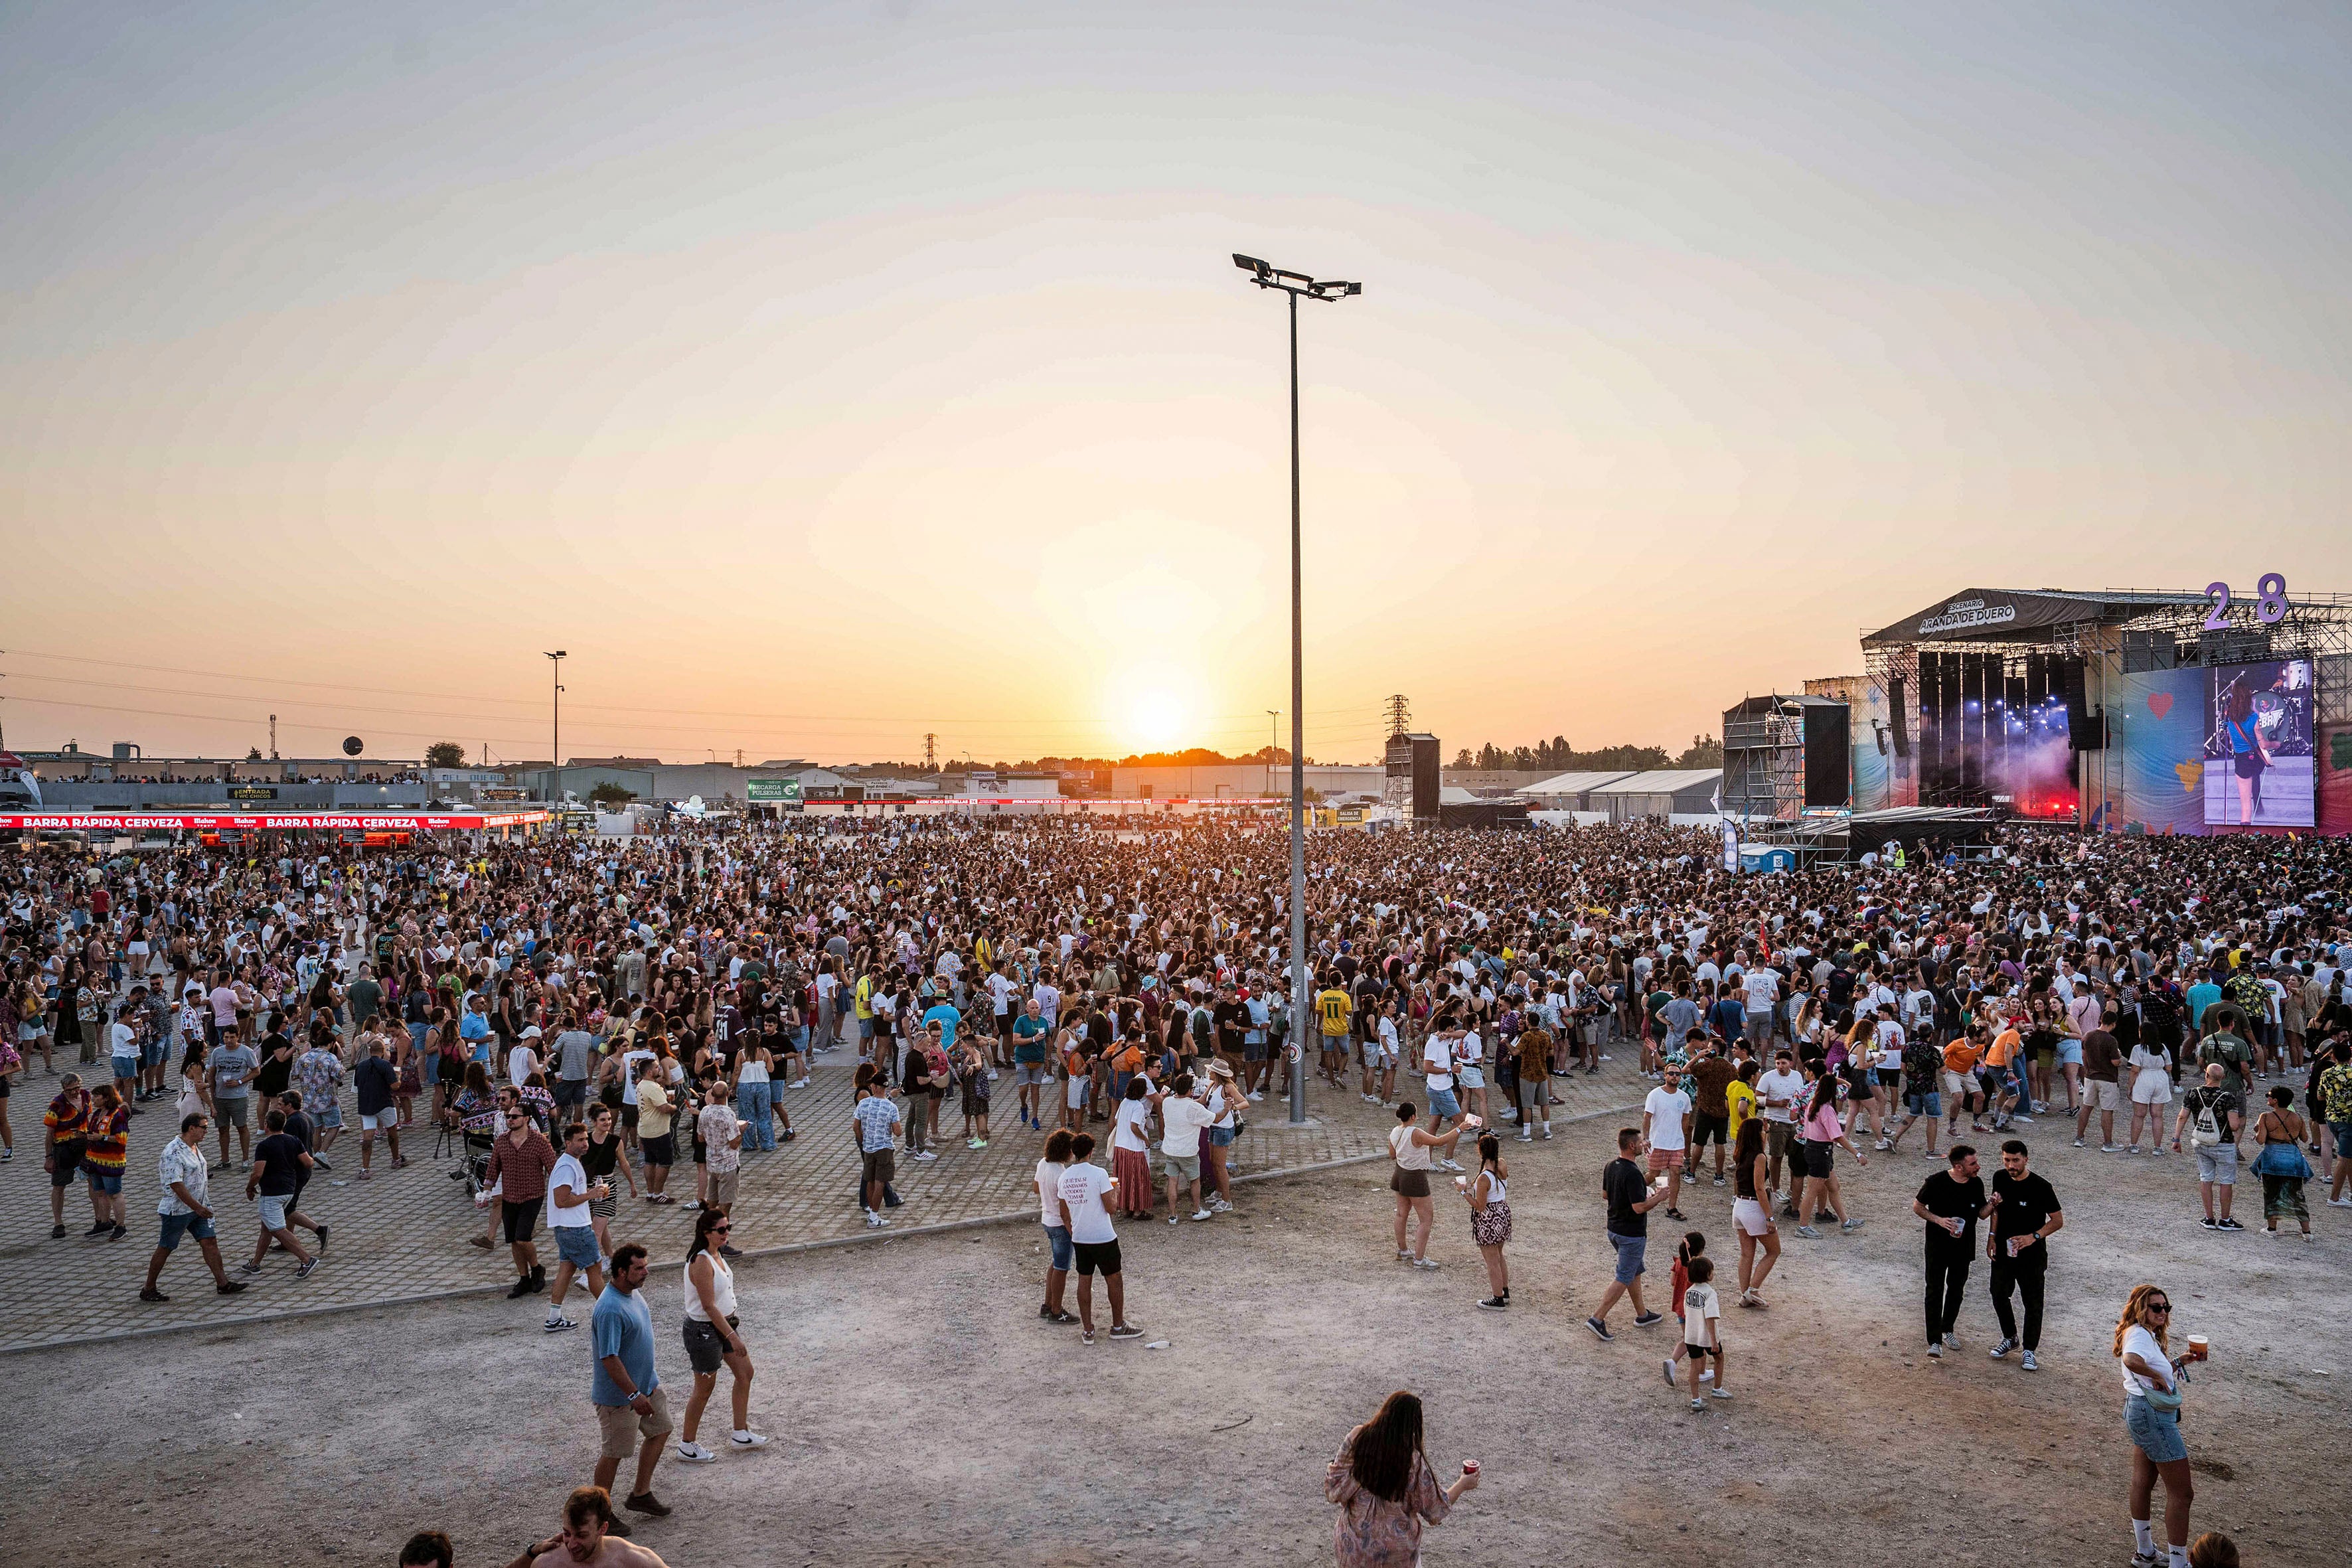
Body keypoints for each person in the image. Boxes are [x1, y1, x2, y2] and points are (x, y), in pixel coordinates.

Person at [1324, 1391, 1477, 1568]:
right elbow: (1435, 1509)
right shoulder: (1413, 1461)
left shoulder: (1358, 1438)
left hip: (1354, 1549)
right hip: (1397, 1555)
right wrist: (1463, 1484)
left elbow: (1333, 1488)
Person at [674, 1208, 767, 1461]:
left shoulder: (716, 1253)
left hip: (723, 1325)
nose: (727, 1233)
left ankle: (740, 1432)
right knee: (704, 1389)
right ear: (707, 1233)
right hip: (705, 1330)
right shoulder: (702, 1261)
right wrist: (732, 1337)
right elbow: (708, 1306)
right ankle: (687, 1444)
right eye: (721, 1230)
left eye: (728, 1228)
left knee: (745, 1372)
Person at [2116, 1283, 2197, 1568]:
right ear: (2141, 1308)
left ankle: (2145, 1552)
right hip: (2152, 1415)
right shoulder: (2138, 1335)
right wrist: (2157, 1375)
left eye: (2166, 1307)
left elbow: (2145, 1366)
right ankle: (2178, 1563)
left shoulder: (2142, 1334)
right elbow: (2131, 1360)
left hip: (2140, 1410)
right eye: (2156, 1307)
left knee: (2143, 1481)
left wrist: (2176, 1363)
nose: (2162, 1312)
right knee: (2182, 1492)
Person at [589, 1244, 672, 1520]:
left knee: (661, 1430)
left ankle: (640, 1494)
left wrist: (645, 1388)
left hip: (647, 1386)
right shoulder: (610, 1308)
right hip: (621, 1398)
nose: (646, 1272)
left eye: (645, 1266)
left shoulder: (633, 1293)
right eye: (639, 1268)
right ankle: (599, 1515)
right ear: (622, 1272)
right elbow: (609, 1358)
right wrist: (633, 1395)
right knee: (614, 1453)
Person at [140, 1112, 248, 1302]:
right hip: (178, 1211)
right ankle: (148, 1288)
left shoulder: (194, 1147)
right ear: (192, 1128)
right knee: (166, 1247)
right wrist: (198, 1208)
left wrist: (201, 1206)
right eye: (204, 1127)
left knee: (210, 1242)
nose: (207, 1131)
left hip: (199, 1208)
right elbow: (176, 1184)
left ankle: (223, 1284)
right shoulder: (173, 1152)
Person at [1054, 1130, 1140, 1344]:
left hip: (1081, 1237)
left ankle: (1088, 1329)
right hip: (1103, 1236)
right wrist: (1117, 1192)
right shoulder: (1099, 1174)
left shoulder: (1064, 1178)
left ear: (1073, 1153)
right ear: (1091, 1152)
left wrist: (1075, 1232)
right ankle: (1118, 1325)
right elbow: (1111, 1208)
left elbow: (1064, 1214)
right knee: (1114, 1279)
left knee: (1084, 1280)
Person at [1587, 1126, 1670, 1342]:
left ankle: (1642, 1315)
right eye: (1642, 1141)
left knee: (1634, 1271)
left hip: (1614, 1229)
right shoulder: (1633, 1173)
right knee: (1624, 1276)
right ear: (1632, 1145)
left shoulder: (1611, 1166)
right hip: (1631, 1233)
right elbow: (1639, 1208)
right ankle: (1597, 1318)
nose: (1645, 1144)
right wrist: (1659, 1198)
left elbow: (1606, 1195)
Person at [1988, 1138, 2063, 1372]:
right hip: (2003, 1249)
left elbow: (2057, 1221)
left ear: (2026, 1159)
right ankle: (2010, 1337)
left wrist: (2033, 1237)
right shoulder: (1999, 1177)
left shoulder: (2041, 1186)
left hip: (2032, 1255)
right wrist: (1991, 1235)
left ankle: (2029, 1350)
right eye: (2007, 1160)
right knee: (1998, 1293)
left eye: (2016, 1160)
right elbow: (1997, 1209)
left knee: (2032, 1302)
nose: (2011, 1165)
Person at [1913, 1144, 1988, 1358]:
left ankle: (1948, 1329)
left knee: (1956, 1290)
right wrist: (1939, 1220)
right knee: (1934, 1290)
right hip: (1937, 1246)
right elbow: (1917, 1206)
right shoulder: (1936, 1182)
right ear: (1958, 1167)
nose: (1978, 1167)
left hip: (1963, 1247)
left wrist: (1992, 1205)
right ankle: (1934, 1340)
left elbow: (1982, 1214)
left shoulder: (1976, 1184)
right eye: (1973, 1164)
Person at [487, 1106, 559, 1297]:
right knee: (513, 1240)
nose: (510, 1119)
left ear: (526, 1118)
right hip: (509, 1196)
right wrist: (486, 1190)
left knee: (523, 1237)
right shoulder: (502, 1141)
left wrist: (562, 1190)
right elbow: (493, 1167)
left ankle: (537, 1268)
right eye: (508, 1116)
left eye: (514, 1117)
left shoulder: (539, 1142)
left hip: (532, 1196)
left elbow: (553, 1167)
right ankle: (524, 1278)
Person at [544, 1121, 610, 1332]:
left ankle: (554, 1317)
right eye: (580, 1140)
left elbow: (570, 1195)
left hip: (568, 1228)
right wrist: (590, 1195)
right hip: (575, 1229)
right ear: (568, 1142)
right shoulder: (566, 1166)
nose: (585, 1144)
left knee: (566, 1269)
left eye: (586, 1139)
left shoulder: (571, 1162)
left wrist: (590, 1192)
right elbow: (561, 1200)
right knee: (595, 1269)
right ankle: (610, 1314)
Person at [507, 1486, 674, 1568]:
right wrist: (531, 1552)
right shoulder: (549, 1563)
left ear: (603, 1529)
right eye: (567, 1533)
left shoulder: (635, 1561)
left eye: (581, 1535)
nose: (571, 1544)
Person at [242, 1107, 320, 1277]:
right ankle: (255, 1264)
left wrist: (249, 1187)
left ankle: (307, 1260)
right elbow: (308, 1163)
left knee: (277, 1229)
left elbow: (257, 1173)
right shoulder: (293, 1140)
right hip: (289, 1189)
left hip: (272, 1193)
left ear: (267, 1125)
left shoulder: (264, 1146)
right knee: (267, 1228)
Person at [1389, 1101, 1464, 1269]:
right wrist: (1459, 1129)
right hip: (1415, 1176)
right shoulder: (1415, 1132)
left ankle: (1403, 1250)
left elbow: (1392, 1155)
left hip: (1399, 1174)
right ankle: (1419, 1259)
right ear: (1413, 1116)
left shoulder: (1395, 1131)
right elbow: (1438, 1142)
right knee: (1426, 1219)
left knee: (1402, 1214)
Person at [2171, 1061, 2246, 1231]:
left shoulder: (2193, 1093)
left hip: (2201, 1142)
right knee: (2226, 1181)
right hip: (2223, 1143)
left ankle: (2209, 1217)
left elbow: (2182, 1116)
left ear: (2206, 1075)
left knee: (2206, 1178)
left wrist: (2176, 1139)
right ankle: (2226, 1219)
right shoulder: (2228, 1097)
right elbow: (2234, 1126)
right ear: (2223, 1078)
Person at [2248, 1083, 2313, 1239]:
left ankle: (2272, 1228)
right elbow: (2304, 1139)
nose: (2268, 1098)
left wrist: (2258, 1131)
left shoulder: (2265, 1116)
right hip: (2293, 1159)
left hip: (2273, 1159)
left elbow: (2261, 1140)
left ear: (2275, 1101)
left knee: (2271, 1194)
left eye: (2269, 1096)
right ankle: (2307, 1232)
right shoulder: (2298, 1117)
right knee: (2298, 1195)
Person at [1728, 1118, 1779, 1308]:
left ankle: (1745, 1295)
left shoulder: (1740, 1154)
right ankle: (1753, 1290)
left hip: (1740, 1206)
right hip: (1752, 1208)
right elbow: (1759, 1188)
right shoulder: (1759, 1157)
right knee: (1774, 1251)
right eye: (1763, 1131)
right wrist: (1769, 1217)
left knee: (1746, 1254)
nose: (1765, 1134)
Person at [1154, 1072, 1215, 1224]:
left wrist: (1208, 1089)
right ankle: (1196, 1210)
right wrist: (1227, 1108)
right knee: (1195, 1181)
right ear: (1190, 1090)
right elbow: (1215, 1118)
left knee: (1172, 1181)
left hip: (1170, 1149)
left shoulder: (1167, 1102)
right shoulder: (1193, 1107)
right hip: (1188, 1151)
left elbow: (1197, 1103)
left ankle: (1173, 1215)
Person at [1462, 1132, 1512, 1309]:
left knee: (1491, 1261)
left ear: (1480, 1151)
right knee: (1499, 1255)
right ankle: (1504, 1291)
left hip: (1489, 1218)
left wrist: (1463, 1192)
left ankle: (1497, 1298)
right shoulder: (1502, 1165)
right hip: (1502, 1213)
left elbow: (1480, 1206)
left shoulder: (1484, 1177)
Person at [1035, 1127, 1078, 1324]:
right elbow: (1065, 1209)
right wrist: (1073, 1231)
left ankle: (1047, 1303)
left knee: (1055, 1263)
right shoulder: (1062, 1174)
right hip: (1060, 1225)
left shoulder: (1043, 1163)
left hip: (1047, 1220)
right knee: (1062, 1268)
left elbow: (1036, 1188)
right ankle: (1056, 1310)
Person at [42, 1072, 91, 1239]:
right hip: (63, 1149)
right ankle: (58, 1223)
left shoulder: (86, 1096)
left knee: (94, 1181)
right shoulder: (57, 1105)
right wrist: (49, 1157)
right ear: (64, 1089)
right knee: (59, 1185)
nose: (75, 1092)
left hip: (83, 1146)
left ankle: (101, 1218)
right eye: (71, 1089)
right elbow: (49, 1133)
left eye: (77, 1087)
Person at [1641, 1063, 1693, 1220]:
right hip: (1658, 1142)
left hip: (1676, 1144)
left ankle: (1672, 1208)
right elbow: (1647, 1117)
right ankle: (1635, 1189)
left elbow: (1686, 1117)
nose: (1675, 1076)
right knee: (1654, 1174)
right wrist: (1646, 1138)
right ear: (1665, 1075)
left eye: (1677, 1074)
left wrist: (1681, 1135)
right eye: (1671, 1073)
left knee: (1675, 1173)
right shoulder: (1655, 1095)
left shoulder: (1684, 1097)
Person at [1677, 1255, 1729, 1409]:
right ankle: (1717, 1388)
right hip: (1706, 1335)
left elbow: (1687, 1313)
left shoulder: (1689, 1292)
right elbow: (1710, 1317)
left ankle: (1696, 1399)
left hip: (1691, 1335)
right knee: (1719, 1358)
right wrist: (1713, 1340)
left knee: (1694, 1365)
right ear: (1707, 1275)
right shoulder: (1710, 1293)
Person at [852, 1067, 901, 1229]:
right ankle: (874, 1216)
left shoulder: (863, 1104)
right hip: (884, 1148)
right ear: (885, 1087)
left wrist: (863, 1140)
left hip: (868, 1148)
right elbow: (898, 1132)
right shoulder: (891, 1107)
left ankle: (871, 1213)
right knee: (881, 1181)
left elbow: (856, 1127)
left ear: (875, 1087)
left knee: (869, 1180)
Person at [354, 1031, 404, 1176]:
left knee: (368, 1137)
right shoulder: (386, 1065)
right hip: (384, 1103)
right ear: (383, 1051)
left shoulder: (361, 1066)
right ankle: (396, 1159)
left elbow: (357, 1084)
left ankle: (365, 1169)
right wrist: (399, 1078)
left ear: (370, 1051)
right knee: (392, 1132)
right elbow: (395, 1086)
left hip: (366, 1105)